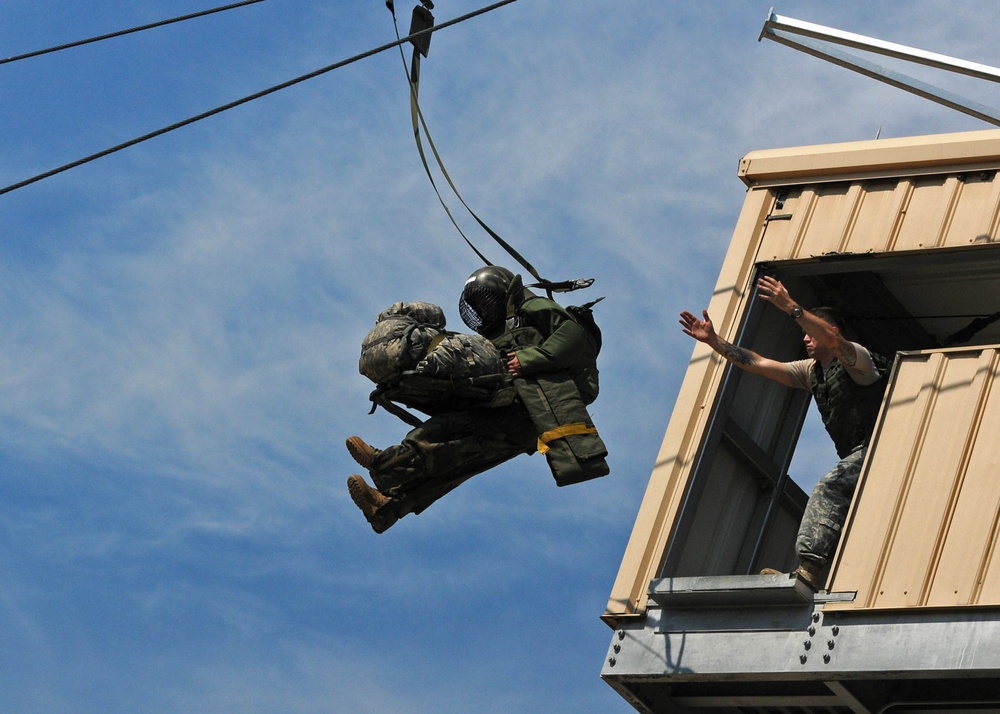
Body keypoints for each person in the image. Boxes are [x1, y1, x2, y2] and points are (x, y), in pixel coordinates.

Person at [346, 265, 608, 533]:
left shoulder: (531, 306)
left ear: (502, 293)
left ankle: (384, 464)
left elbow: (571, 334)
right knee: (457, 458)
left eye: (486, 301)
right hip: (513, 403)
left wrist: (529, 360)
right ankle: (386, 507)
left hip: (532, 408)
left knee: (451, 440)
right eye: (478, 307)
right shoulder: (501, 332)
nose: (483, 311)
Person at [678, 274, 891, 589]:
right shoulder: (812, 372)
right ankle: (833, 576)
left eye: (809, 331)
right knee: (846, 512)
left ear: (828, 331)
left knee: (828, 488)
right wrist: (715, 343)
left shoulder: (856, 359)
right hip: (857, 456)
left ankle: (808, 572)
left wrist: (791, 306)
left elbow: (834, 342)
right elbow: (761, 364)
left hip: (880, 447)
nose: (805, 338)